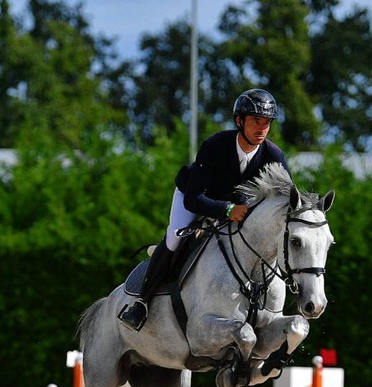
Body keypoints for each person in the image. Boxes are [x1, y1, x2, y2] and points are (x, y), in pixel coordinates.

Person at [118, 88, 289, 331]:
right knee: (176, 236)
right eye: (255, 121)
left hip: (239, 206)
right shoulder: (215, 145)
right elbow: (193, 199)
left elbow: (284, 201)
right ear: (239, 121)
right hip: (197, 196)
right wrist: (227, 210)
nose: (262, 128)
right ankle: (141, 302)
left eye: (267, 123)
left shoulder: (274, 156)